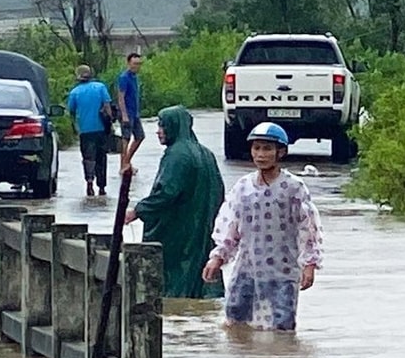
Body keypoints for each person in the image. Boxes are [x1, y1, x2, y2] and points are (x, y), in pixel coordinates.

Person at [202, 122, 323, 331]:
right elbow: (230, 225)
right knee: (235, 321)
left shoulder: (293, 187)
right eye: (256, 148)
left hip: (283, 270)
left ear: (281, 152)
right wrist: (218, 257)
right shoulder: (243, 187)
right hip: (247, 268)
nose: (261, 154)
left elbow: (308, 227)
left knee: (282, 328)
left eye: (267, 148)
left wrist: (310, 264)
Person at [125, 107, 226, 300]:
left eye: (162, 126)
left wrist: (137, 210)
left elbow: (166, 193)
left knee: (175, 282)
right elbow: (219, 191)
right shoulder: (206, 153)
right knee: (200, 279)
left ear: (173, 126)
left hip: (179, 232)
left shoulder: (176, 156)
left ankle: (176, 315)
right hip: (202, 228)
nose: (158, 131)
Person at [64, 64, 114, 198]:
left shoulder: (75, 92)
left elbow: (71, 112)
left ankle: (90, 182)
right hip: (101, 129)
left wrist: (75, 127)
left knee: (88, 158)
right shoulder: (100, 87)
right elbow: (107, 107)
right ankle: (102, 187)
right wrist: (111, 124)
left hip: (85, 131)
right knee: (101, 157)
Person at [115, 51, 146, 175]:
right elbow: (120, 97)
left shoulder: (135, 77)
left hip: (135, 113)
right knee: (125, 139)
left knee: (140, 137)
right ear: (129, 63)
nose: (136, 66)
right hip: (127, 114)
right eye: (134, 64)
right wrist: (124, 115)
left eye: (138, 64)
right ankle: (124, 165)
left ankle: (127, 162)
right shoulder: (124, 77)